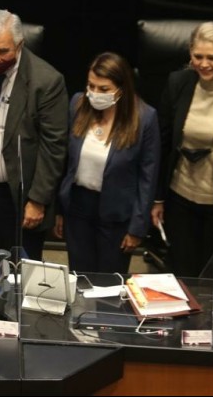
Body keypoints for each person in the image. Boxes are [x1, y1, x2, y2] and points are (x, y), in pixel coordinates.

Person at [0, 9, 68, 266]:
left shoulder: (46, 81)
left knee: (16, 273)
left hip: (17, 197)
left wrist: (38, 200)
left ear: (20, 45)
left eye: (3, 51)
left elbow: (54, 147)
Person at [151, 22, 213, 278]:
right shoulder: (178, 83)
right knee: (180, 276)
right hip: (180, 199)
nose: (204, 64)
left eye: (212, 58)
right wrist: (158, 198)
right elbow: (162, 145)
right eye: (198, 56)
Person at [54, 52, 160, 274]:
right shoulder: (78, 104)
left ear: (121, 89)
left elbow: (147, 178)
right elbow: (64, 161)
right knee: (79, 277)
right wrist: (59, 211)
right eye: (91, 86)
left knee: (109, 282)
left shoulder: (145, 118)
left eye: (104, 89)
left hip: (117, 213)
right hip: (78, 207)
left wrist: (137, 228)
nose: (95, 93)